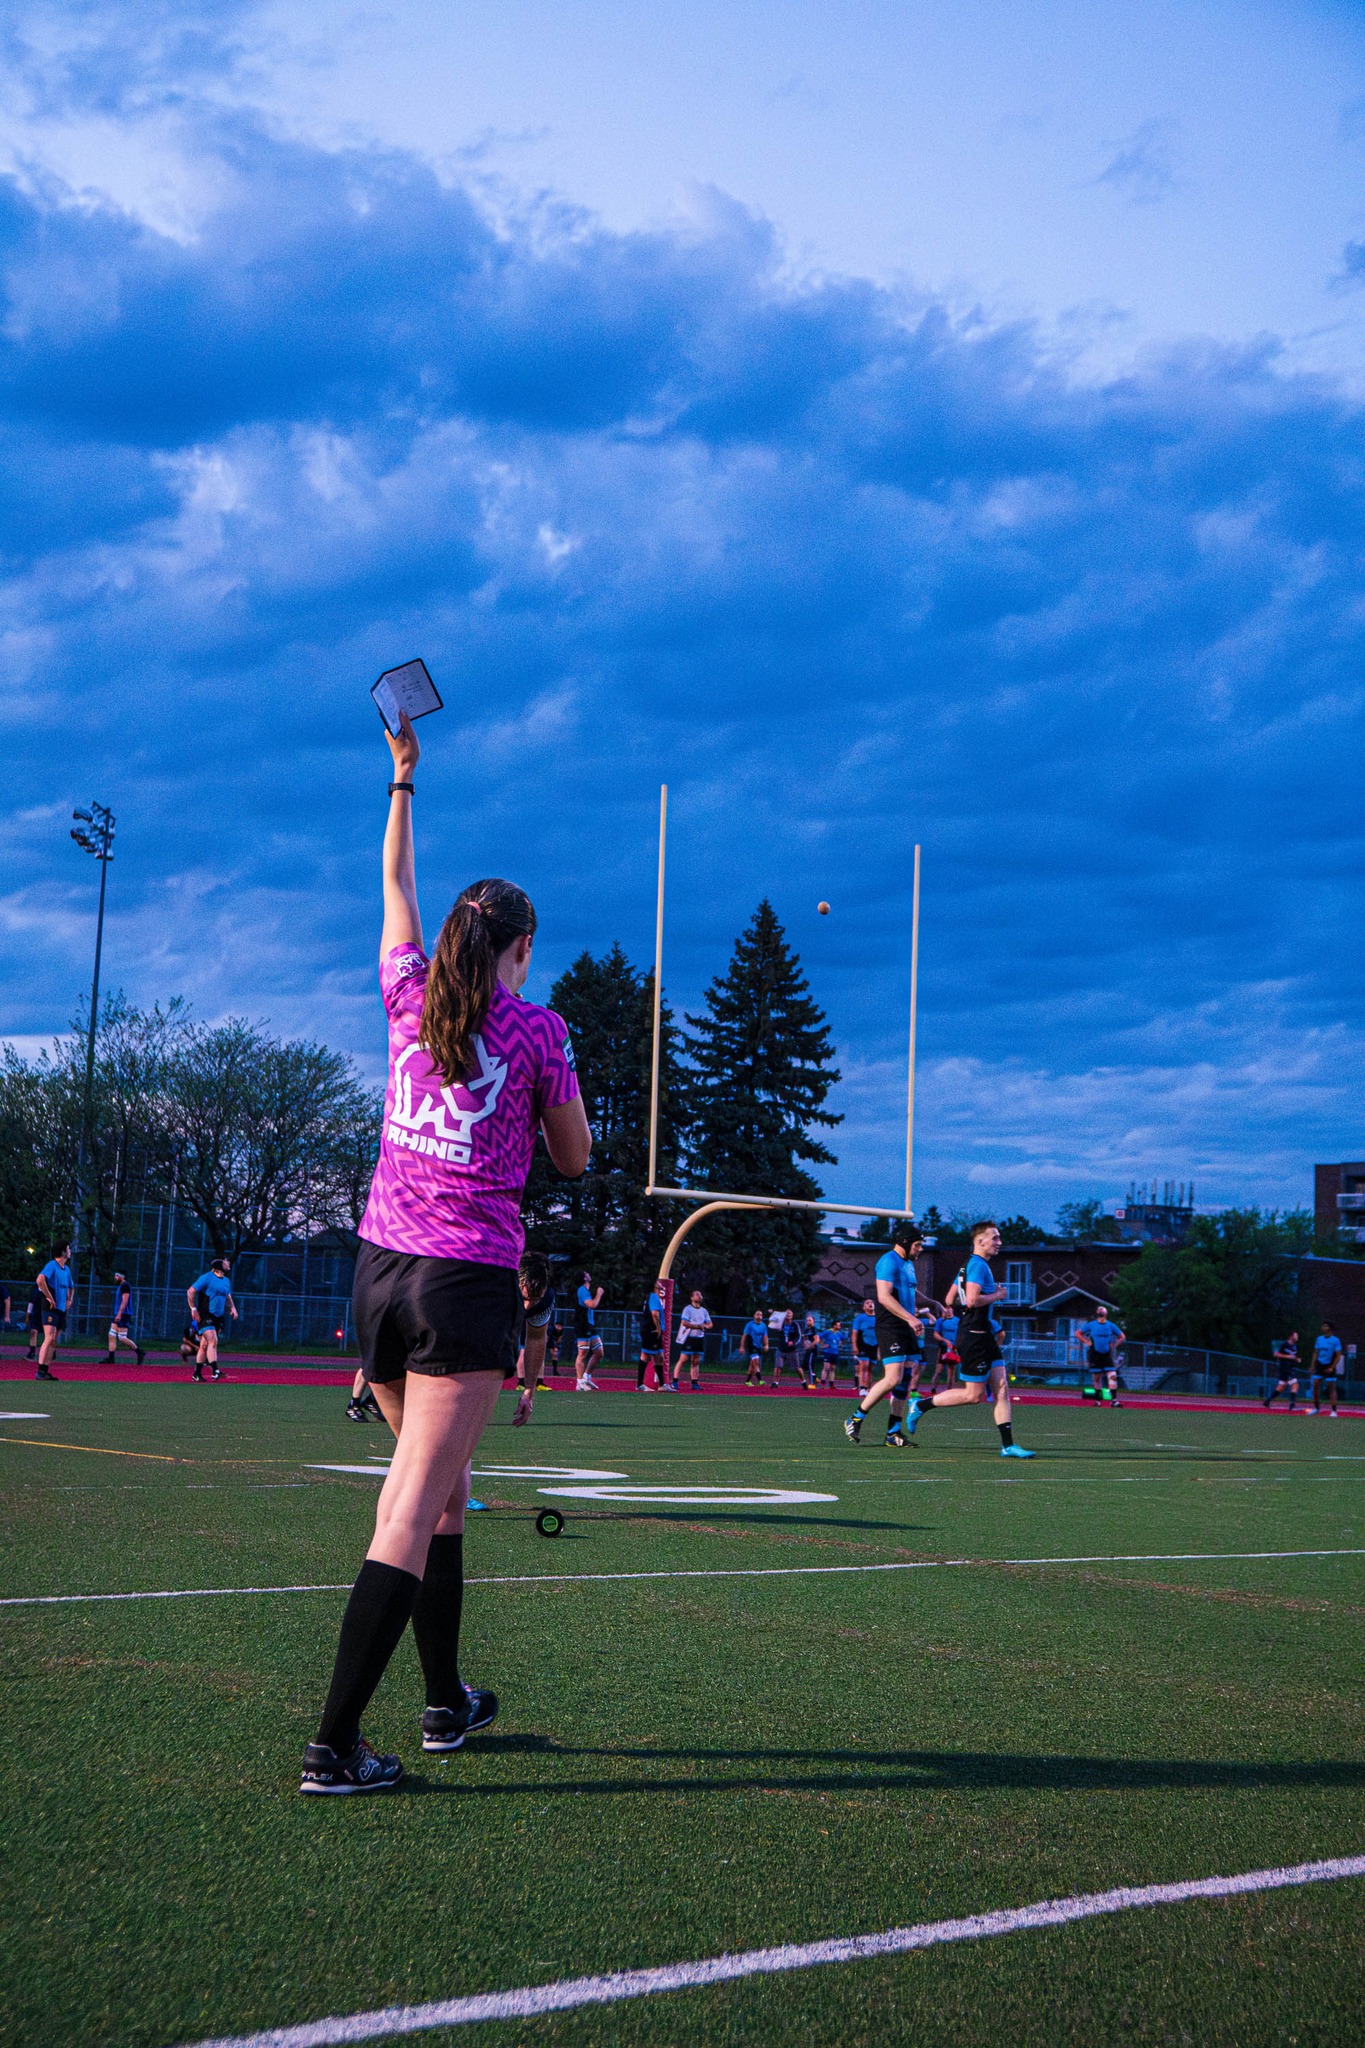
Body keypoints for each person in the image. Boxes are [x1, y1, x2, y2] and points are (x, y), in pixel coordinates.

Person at [299, 708, 590, 1794]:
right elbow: (570, 1158)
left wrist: (404, 781)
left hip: (378, 1274)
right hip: (463, 1283)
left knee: (445, 1493)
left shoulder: (407, 997)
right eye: (526, 948)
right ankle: (332, 1743)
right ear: (515, 947)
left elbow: (396, 892)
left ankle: (443, 1700)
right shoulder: (539, 1030)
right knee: (412, 1506)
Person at [902, 1222, 1035, 1458]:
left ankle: (1008, 1446)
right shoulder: (977, 1265)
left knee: (1002, 1387)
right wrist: (999, 1295)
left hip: (983, 1334)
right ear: (980, 1242)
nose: (999, 1242)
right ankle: (921, 1405)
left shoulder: (968, 1265)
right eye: (994, 1238)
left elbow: (949, 1297)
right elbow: (971, 1301)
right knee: (973, 1396)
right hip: (974, 1335)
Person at [844, 1226, 923, 1447]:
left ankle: (893, 1432)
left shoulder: (908, 1264)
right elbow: (884, 1297)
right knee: (892, 1378)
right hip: (891, 1325)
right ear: (905, 1243)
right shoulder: (889, 1261)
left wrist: (931, 1302)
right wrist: (911, 1318)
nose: (920, 1250)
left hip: (905, 1324)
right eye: (917, 1245)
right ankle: (856, 1418)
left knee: (904, 1380)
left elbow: (910, 1290)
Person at [512, 1252, 557, 1426]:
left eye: (534, 1299)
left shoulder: (545, 1300)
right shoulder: (497, 1287)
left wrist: (529, 1391)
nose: (527, 1306)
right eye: (524, 1298)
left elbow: (536, 1339)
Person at [187, 1259, 237, 1381]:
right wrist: (193, 1309)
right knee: (213, 1341)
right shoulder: (207, 1277)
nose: (228, 1263)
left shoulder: (226, 1281)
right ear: (219, 1267)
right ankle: (215, 1370)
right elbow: (191, 1291)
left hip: (218, 1317)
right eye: (225, 1262)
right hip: (205, 1315)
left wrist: (233, 1308)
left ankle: (197, 1374)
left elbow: (228, 1296)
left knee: (204, 1345)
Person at [35, 1243, 74, 1381]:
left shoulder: (67, 1269)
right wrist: (49, 1297)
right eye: (68, 1249)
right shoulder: (52, 1265)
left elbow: (71, 1287)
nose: (70, 1251)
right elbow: (40, 1280)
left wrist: (70, 1299)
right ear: (63, 1251)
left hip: (61, 1309)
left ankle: (45, 1370)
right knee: (49, 1337)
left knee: (54, 1340)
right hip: (50, 1307)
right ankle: (40, 1371)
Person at [1079, 1305, 1124, 1407]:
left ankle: (1114, 1401)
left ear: (1106, 1313)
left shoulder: (1111, 1325)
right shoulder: (1091, 1325)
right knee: (1096, 1377)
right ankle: (1098, 1401)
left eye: (1103, 1310)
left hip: (1106, 1355)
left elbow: (1122, 1336)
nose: (1101, 1311)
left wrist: (1114, 1345)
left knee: (1112, 1376)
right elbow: (1078, 1333)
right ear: (1097, 1312)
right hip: (1095, 1354)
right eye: (1099, 1309)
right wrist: (1087, 1342)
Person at [106, 1271, 146, 1365]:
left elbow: (125, 1301)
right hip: (118, 1313)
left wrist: (119, 1314)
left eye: (117, 1275)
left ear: (122, 1276)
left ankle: (139, 1352)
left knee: (122, 1337)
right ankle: (111, 1358)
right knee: (111, 1334)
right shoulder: (121, 1286)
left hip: (123, 1314)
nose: (115, 1277)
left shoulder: (125, 1286)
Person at [674, 1289, 711, 1390]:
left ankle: (694, 1382)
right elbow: (684, 1323)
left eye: (700, 1294)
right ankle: (675, 1380)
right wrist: (698, 1326)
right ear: (692, 1297)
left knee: (695, 1361)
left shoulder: (704, 1311)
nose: (699, 1296)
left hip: (699, 1338)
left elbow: (710, 1324)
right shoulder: (688, 1309)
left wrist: (705, 1326)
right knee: (683, 1359)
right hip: (689, 1337)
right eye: (697, 1294)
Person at [574, 1271, 604, 1390]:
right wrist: (599, 1294)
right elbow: (592, 1304)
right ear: (584, 1278)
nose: (589, 1274)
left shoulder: (585, 1291)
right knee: (582, 1354)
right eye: (586, 1274)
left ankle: (587, 1376)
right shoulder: (582, 1290)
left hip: (590, 1325)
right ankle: (579, 1381)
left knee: (599, 1352)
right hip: (583, 1325)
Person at [1309, 1323, 1344, 1417]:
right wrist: (1312, 1365)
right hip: (1319, 1366)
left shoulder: (1335, 1340)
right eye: (1323, 1326)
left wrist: (1332, 1367)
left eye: (1325, 1326)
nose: (1323, 1327)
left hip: (1329, 1366)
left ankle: (1333, 1411)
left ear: (1330, 1328)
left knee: (1331, 1388)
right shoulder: (1319, 1339)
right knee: (1315, 1388)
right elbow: (1315, 1352)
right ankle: (1316, 1408)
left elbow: (1338, 1355)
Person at [638, 1280, 666, 1391]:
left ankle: (662, 1385)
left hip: (652, 1331)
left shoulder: (650, 1297)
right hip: (651, 1331)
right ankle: (640, 1384)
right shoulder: (654, 1297)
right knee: (646, 1356)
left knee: (660, 1357)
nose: (660, 1285)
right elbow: (655, 1314)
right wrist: (658, 1328)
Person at [1263, 1332, 1301, 1411]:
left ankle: (1267, 1401)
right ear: (1291, 1336)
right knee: (1295, 1384)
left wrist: (1297, 1359)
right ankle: (1292, 1404)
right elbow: (1276, 1354)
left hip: (1290, 1367)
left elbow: (1293, 1356)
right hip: (1285, 1367)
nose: (1297, 1337)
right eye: (1296, 1335)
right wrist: (1288, 1357)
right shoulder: (1284, 1344)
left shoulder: (1294, 1346)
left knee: (1281, 1387)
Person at [850, 1298, 878, 1392]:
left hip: (874, 1346)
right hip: (863, 1345)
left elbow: (881, 1334)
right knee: (863, 1366)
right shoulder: (860, 1318)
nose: (870, 1304)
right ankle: (862, 1387)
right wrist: (854, 1345)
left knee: (870, 1367)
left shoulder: (878, 1318)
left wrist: (879, 1350)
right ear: (864, 1307)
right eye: (867, 1303)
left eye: (871, 1302)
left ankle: (868, 1387)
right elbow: (854, 1333)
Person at [772, 1309, 800, 1387]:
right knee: (778, 1366)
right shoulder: (780, 1323)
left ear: (792, 1315)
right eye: (786, 1313)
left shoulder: (795, 1324)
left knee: (797, 1368)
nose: (788, 1314)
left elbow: (799, 1336)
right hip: (781, 1349)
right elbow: (771, 1323)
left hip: (791, 1350)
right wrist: (775, 1314)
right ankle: (775, 1383)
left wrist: (793, 1343)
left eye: (789, 1313)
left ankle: (803, 1381)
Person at [740, 1308, 768, 1386]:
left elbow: (765, 1336)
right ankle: (760, 1380)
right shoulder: (750, 1325)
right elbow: (744, 1336)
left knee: (752, 1365)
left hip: (759, 1346)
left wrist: (766, 1345)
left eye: (761, 1315)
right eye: (757, 1314)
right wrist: (742, 1347)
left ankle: (747, 1381)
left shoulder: (763, 1325)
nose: (759, 1316)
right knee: (756, 1361)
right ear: (754, 1316)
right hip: (751, 1345)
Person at [818, 1317, 846, 1387]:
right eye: (838, 1325)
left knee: (833, 1368)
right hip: (828, 1352)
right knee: (826, 1367)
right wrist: (823, 1345)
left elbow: (842, 1339)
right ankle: (823, 1383)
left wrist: (840, 1344)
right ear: (834, 1325)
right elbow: (819, 1337)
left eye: (839, 1325)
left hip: (835, 1352)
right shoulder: (828, 1332)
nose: (839, 1327)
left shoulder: (839, 1333)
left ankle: (831, 1384)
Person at [799, 1312, 822, 1389]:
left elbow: (817, 1340)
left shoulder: (814, 1329)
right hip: (807, 1350)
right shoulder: (806, 1330)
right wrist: (805, 1344)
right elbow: (804, 1340)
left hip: (812, 1350)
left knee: (809, 1365)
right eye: (807, 1320)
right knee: (803, 1367)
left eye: (810, 1320)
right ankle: (815, 1378)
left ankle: (812, 1383)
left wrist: (810, 1346)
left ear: (813, 1321)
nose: (808, 1321)